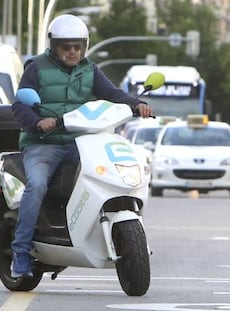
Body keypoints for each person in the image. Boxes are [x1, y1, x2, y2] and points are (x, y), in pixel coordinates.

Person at [10, 14, 153, 278]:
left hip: (81, 141)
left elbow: (113, 94)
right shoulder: (36, 68)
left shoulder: (90, 70)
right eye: (66, 46)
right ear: (53, 45)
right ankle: (20, 251)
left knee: (104, 173)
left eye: (77, 46)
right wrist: (37, 122)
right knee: (38, 183)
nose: (73, 51)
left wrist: (135, 104)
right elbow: (19, 105)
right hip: (44, 143)